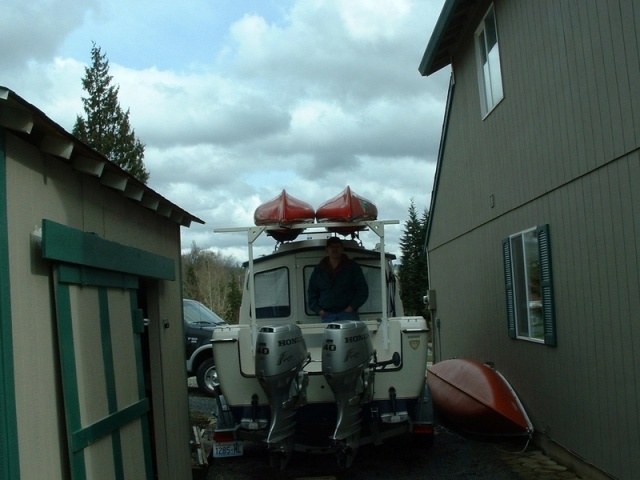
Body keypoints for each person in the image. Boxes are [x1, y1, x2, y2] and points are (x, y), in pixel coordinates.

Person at [307, 236, 368, 322]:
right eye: (332, 247)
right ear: (327, 250)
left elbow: (362, 290)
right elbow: (312, 292)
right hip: (327, 316)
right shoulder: (319, 270)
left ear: (342, 249)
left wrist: (352, 307)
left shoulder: (352, 267)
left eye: (337, 247)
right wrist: (319, 311)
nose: (335, 249)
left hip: (349, 315)